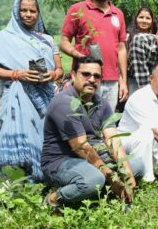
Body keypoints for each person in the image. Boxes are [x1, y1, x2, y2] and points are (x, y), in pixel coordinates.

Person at [41, 57, 135, 208]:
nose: (92, 79)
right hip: (61, 162)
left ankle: (101, 192)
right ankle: (53, 200)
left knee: (137, 166)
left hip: (91, 158)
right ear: (73, 75)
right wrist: (112, 177)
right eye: (86, 74)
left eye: (97, 76)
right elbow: (82, 147)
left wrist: (127, 172)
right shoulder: (65, 102)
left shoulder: (101, 102)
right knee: (94, 179)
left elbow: (112, 139)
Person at [0, 0, 63, 181]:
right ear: (16, 12)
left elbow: (60, 70)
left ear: (38, 14)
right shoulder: (3, 38)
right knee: (19, 136)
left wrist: (53, 74)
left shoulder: (47, 40)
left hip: (45, 97)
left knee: (43, 136)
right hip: (15, 97)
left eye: (32, 11)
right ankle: (14, 183)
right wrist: (17, 74)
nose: (28, 14)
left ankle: (42, 178)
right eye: (23, 10)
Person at [60, 0, 128, 112]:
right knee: (83, 118)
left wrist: (123, 80)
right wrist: (80, 55)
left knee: (107, 120)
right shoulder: (77, 9)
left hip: (112, 80)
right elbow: (64, 42)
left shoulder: (118, 14)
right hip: (86, 77)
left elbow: (121, 49)